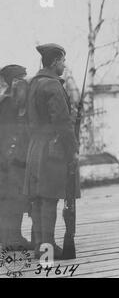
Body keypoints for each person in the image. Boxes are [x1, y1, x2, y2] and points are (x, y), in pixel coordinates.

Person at [24, 43, 79, 259]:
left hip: (35, 147)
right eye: (63, 61)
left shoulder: (33, 84)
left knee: (38, 198)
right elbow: (63, 123)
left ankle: (40, 245)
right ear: (55, 61)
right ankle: (48, 246)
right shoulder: (53, 86)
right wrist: (72, 150)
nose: (64, 66)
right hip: (52, 149)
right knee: (49, 198)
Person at [0, 65, 32, 250]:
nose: (25, 81)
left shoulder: (12, 100)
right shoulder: (8, 102)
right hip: (10, 158)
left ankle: (11, 236)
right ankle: (12, 239)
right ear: (14, 80)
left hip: (11, 157)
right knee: (13, 198)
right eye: (22, 77)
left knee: (13, 197)